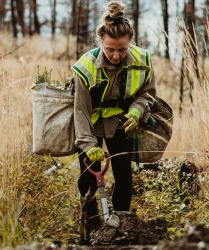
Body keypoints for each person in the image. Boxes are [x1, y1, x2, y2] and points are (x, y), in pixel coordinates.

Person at [71, 0, 156, 240]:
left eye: (122, 49)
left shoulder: (142, 60)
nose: (117, 55)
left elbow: (147, 93)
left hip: (122, 123)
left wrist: (137, 111)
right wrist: (88, 145)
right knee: (88, 178)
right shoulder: (85, 67)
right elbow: (81, 111)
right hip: (91, 126)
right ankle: (91, 227)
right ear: (101, 43)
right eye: (110, 50)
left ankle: (122, 225)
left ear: (130, 42)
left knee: (124, 176)